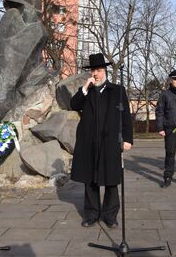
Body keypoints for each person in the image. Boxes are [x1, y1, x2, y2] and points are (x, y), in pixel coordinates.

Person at [70, 53, 133, 228]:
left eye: (98, 70)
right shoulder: (86, 92)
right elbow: (73, 105)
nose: (95, 74)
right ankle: (91, 214)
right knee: (90, 179)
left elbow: (126, 116)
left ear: (104, 71)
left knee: (111, 179)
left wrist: (127, 138)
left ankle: (110, 215)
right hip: (89, 141)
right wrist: (84, 87)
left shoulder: (117, 90)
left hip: (110, 141)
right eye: (93, 71)